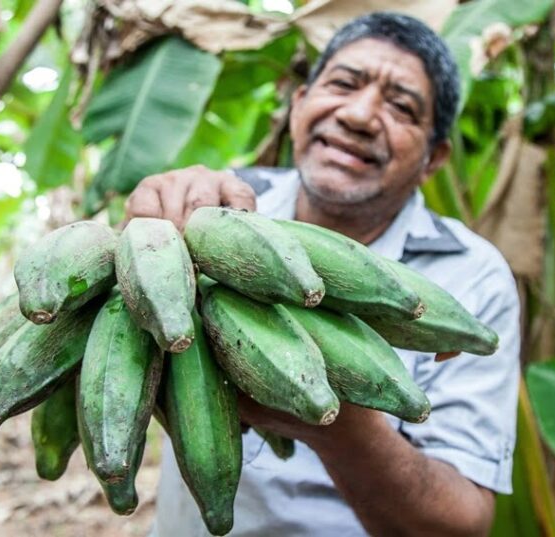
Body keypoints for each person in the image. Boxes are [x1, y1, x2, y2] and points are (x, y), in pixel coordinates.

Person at [128, 12, 520, 536]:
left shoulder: (472, 276)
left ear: (434, 158)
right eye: (343, 84)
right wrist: (142, 241)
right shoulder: (218, 206)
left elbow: (461, 523)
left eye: (401, 106)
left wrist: (338, 427)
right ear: (298, 105)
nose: (359, 115)